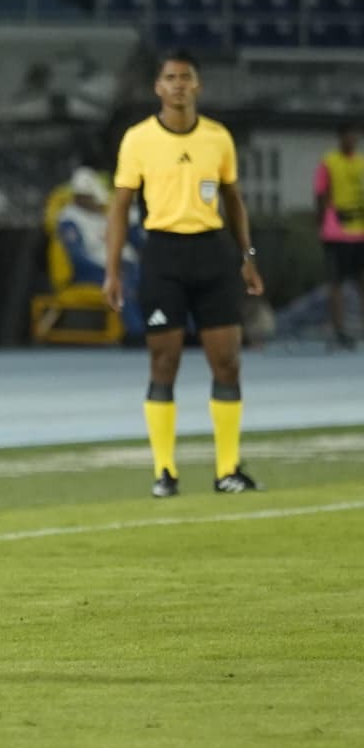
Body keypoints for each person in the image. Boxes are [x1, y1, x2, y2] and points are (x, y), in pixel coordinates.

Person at [103, 49, 265, 499]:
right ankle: (164, 471)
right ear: (157, 87)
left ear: (197, 85)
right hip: (164, 256)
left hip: (212, 254)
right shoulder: (138, 139)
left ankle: (228, 469)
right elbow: (119, 208)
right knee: (164, 362)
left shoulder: (217, 138)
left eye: (185, 77)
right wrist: (112, 270)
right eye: (169, 78)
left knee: (228, 361)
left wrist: (246, 255)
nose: (177, 85)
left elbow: (234, 202)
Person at [56, 166, 143, 339]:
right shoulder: (70, 219)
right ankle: (137, 333)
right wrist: (111, 272)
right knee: (121, 285)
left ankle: (178, 330)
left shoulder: (103, 214)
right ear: (82, 197)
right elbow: (78, 257)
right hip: (91, 270)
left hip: (126, 265)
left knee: (160, 281)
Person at [312, 121, 364, 349]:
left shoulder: (362, 163)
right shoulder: (330, 162)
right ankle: (339, 330)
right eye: (348, 135)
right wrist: (322, 224)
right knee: (336, 284)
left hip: (360, 232)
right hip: (336, 233)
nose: (352, 139)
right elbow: (321, 194)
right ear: (341, 137)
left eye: (355, 135)